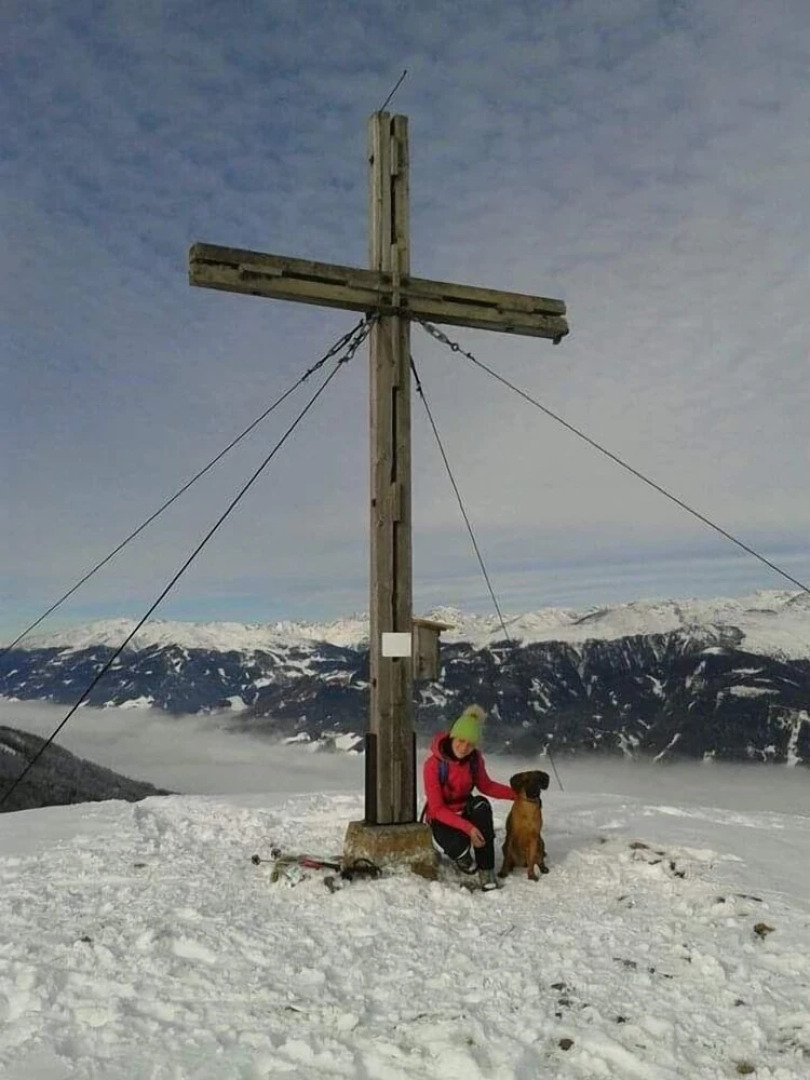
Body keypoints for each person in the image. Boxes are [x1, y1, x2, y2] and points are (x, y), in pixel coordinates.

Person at [422, 704, 516, 891]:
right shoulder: (433, 765)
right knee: (458, 843)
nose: (464, 748)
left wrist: (517, 795)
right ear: (452, 737)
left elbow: (486, 786)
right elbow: (437, 809)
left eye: (470, 744)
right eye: (461, 741)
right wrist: (469, 828)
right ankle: (462, 854)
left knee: (481, 805)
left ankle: (486, 869)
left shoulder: (474, 760)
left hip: (465, 809)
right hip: (442, 816)